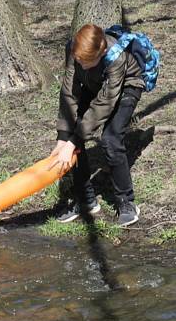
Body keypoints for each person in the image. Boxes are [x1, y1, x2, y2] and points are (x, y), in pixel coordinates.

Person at [50, 24, 145, 227]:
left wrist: (73, 140)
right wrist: (63, 136)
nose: (81, 65)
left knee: (110, 139)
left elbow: (105, 103)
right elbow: (69, 92)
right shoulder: (73, 49)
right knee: (72, 135)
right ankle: (86, 200)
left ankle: (126, 202)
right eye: (78, 61)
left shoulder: (116, 57)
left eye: (87, 62)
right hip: (96, 85)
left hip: (126, 87)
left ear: (101, 53)